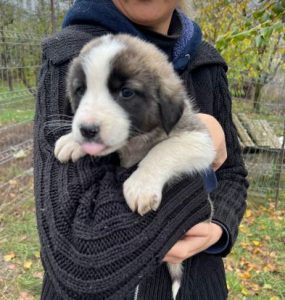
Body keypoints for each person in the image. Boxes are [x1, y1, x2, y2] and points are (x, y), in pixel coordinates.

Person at [34, 0, 248, 299]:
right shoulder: (68, 55)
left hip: (197, 283)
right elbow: (78, 251)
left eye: (124, 91)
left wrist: (218, 228)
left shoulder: (208, 63)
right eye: (82, 92)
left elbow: (232, 173)